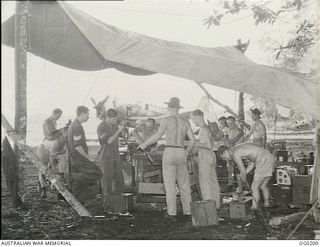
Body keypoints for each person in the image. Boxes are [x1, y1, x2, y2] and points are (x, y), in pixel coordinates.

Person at [138, 97, 195, 222]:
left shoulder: (166, 120)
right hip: (181, 151)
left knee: (170, 185)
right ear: (178, 108)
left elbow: (158, 136)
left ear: (170, 108)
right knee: (184, 184)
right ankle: (188, 212)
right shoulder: (185, 122)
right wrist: (186, 152)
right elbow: (193, 140)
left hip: (169, 151)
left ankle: (172, 213)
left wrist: (144, 144)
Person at [217, 143, 276, 210]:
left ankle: (254, 207)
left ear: (225, 152)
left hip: (263, 159)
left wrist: (243, 179)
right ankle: (266, 203)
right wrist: (244, 174)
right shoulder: (238, 148)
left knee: (254, 187)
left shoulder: (234, 153)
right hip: (269, 157)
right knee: (263, 186)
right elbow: (252, 162)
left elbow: (242, 170)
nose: (226, 160)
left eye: (224, 158)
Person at [67, 106, 102, 204]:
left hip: (73, 158)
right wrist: (89, 158)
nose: (88, 117)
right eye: (87, 114)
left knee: (78, 185)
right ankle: (73, 177)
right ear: (82, 114)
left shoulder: (73, 125)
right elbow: (78, 147)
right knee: (96, 172)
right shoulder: (77, 126)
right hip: (78, 158)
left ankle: (79, 204)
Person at [191, 110, 220, 209]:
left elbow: (207, 145)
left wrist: (192, 143)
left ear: (198, 117)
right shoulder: (207, 128)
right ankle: (216, 205)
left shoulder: (203, 129)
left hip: (205, 157)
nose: (192, 121)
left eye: (193, 118)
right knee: (213, 182)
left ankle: (208, 207)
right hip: (211, 156)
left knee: (205, 183)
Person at [97, 108, 126, 195]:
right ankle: (107, 203)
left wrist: (123, 127)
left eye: (116, 119)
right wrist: (118, 130)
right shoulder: (101, 127)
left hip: (115, 156)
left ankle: (118, 200)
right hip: (106, 157)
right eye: (113, 119)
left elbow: (123, 136)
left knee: (119, 179)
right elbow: (109, 141)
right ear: (108, 117)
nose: (115, 121)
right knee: (107, 180)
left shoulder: (115, 125)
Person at [37, 126, 68, 198]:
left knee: (52, 168)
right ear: (64, 133)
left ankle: (51, 186)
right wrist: (54, 170)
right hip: (43, 150)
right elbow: (52, 157)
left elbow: (63, 151)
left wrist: (57, 154)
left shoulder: (65, 140)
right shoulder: (56, 141)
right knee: (43, 170)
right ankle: (43, 190)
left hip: (51, 151)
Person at [225, 116, 244, 190]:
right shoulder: (230, 130)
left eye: (231, 124)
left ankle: (240, 186)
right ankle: (230, 184)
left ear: (234, 122)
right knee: (230, 169)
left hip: (238, 153)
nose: (229, 125)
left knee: (238, 170)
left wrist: (227, 142)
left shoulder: (239, 131)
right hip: (232, 153)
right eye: (228, 124)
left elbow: (231, 142)